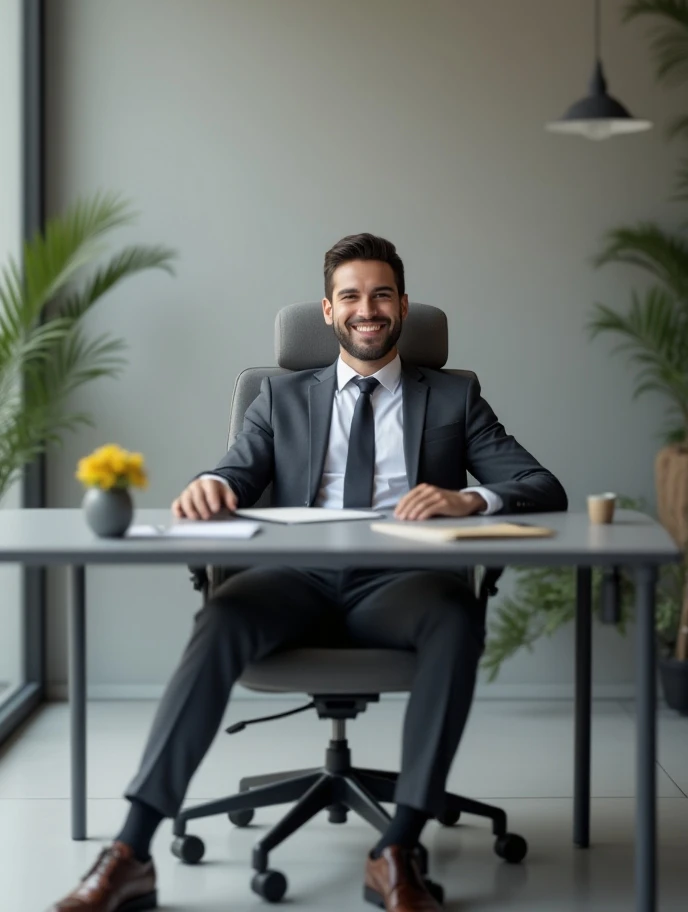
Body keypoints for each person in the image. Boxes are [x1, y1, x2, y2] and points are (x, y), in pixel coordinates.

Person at [50, 234, 567, 912]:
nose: (367, 309)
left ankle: (398, 847)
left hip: (401, 582)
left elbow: (540, 484)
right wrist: (210, 484)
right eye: (350, 296)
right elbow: (236, 469)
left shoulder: (452, 397)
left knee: (456, 614)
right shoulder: (280, 395)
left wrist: (471, 496)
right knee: (222, 616)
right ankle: (130, 850)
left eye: (381, 294)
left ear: (403, 305)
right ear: (328, 311)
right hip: (295, 576)